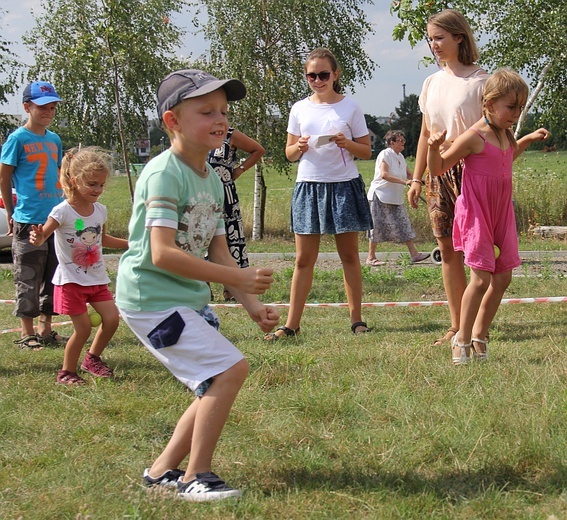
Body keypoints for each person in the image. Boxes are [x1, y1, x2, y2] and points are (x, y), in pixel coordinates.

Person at [115, 69, 279, 501]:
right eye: (206, 111)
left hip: (181, 299)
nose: (220, 119)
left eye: (224, 111)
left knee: (211, 381)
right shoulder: (163, 174)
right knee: (230, 369)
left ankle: (161, 472)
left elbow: (219, 253)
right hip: (151, 300)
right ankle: (196, 477)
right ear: (173, 121)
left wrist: (250, 304)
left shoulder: (212, 178)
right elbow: (162, 254)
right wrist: (238, 278)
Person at [427, 69, 550, 365]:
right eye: (511, 107)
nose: (516, 113)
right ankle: (462, 338)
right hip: (477, 212)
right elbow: (439, 167)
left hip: (501, 212)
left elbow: (505, 157)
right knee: (481, 279)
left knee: (503, 276)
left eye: (520, 108)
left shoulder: (505, 133)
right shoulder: (473, 136)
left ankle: (480, 336)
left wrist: (527, 139)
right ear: (489, 103)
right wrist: (432, 147)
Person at [265, 47, 373, 340]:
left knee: (349, 256)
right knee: (303, 260)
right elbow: (288, 154)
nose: (317, 80)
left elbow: (366, 150)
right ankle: (291, 325)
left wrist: (346, 143)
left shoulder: (350, 107)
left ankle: (357, 320)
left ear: (335, 75)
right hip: (309, 186)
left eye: (323, 74)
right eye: (311, 75)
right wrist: (297, 147)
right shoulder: (299, 108)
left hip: (343, 186)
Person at [407, 9, 490, 347]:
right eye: (431, 39)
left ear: (459, 37)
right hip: (437, 172)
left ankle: (473, 325)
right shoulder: (431, 82)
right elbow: (427, 132)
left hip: (471, 170)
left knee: (473, 250)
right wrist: (416, 178)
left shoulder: (481, 81)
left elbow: (492, 129)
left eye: (439, 37)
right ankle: (457, 326)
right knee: (446, 248)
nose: (434, 45)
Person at [29, 147, 128, 384]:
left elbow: (104, 240)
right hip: (71, 281)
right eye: (92, 184)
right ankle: (66, 372)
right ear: (74, 181)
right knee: (82, 329)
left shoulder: (100, 210)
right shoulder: (62, 211)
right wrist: (38, 237)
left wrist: (133, 243)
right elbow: (44, 235)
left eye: (102, 185)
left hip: (96, 279)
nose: (98, 190)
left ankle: (92, 358)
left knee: (112, 318)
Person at [0, 81, 67, 349]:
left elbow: (60, 174)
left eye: (52, 107)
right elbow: (4, 178)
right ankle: (26, 332)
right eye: (42, 107)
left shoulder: (54, 139)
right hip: (28, 218)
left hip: (54, 220)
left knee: (53, 276)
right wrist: (10, 211)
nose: (48, 111)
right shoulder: (17, 139)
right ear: (27, 107)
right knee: (28, 275)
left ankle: (45, 329)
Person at [207, 127, 265, 301]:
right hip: (200, 194)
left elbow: (258, 150)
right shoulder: (195, 132)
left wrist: (240, 169)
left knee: (229, 241)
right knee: (200, 239)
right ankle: (203, 287)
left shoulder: (230, 134)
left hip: (225, 195)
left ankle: (231, 289)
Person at [366, 130, 430, 266]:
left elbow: (409, 175)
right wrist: (405, 182)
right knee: (376, 226)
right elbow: (384, 174)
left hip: (394, 198)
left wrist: (419, 181)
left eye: (403, 140)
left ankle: (414, 254)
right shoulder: (385, 154)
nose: (403, 142)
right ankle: (371, 257)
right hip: (380, 195)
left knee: (404, 224)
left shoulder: (400, 156)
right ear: (392, 143)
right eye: (400, 140)